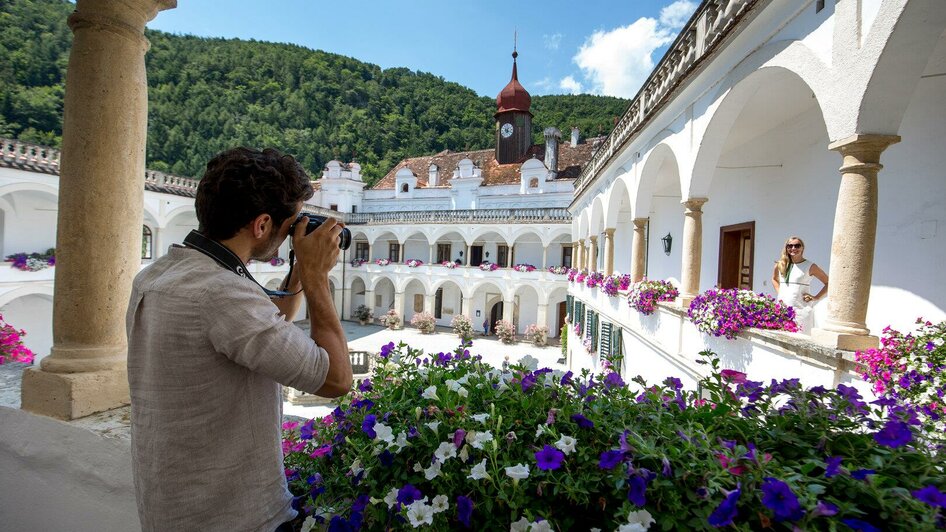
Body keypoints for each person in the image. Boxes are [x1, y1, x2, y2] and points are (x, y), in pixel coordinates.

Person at [126, 147, 353, 531]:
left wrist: (299, 270)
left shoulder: (160, 274)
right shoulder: (222, 294)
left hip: (173, 507)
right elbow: (335, 380)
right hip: (237, 517)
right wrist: (317, 276)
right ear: (262, 225)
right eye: (290, 224)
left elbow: (265, 332)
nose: (290, 234)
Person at [772, 236, 829, 334]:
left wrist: (816, 297)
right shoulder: (780, 264)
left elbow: (828, 283)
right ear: (786, 248)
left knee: (801, 339)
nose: (793, 248)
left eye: (797, 246)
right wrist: (780, 292)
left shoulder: (810, 266)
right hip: (782, 309)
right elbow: (774, 279)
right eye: (790, 246)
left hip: (801, 310)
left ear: (802, 248)